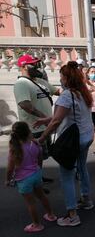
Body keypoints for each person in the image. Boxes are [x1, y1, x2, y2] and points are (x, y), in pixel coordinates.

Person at [35, 61, 95, 227]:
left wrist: (41, 139)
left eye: (61, 76)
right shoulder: (83, 93)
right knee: (82, 167)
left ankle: (72, 214)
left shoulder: (68, 95)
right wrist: (47, 119)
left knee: (66, 176)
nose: (60, 78)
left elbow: (56, 122)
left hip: (73, 141)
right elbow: (62, 116)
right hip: (86, 136)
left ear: (67, 78)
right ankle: (86, 199)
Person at [14, 54, 60, 186]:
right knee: (33, 157)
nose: (37, 66)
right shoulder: (21, 84)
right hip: (33, 128)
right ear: (23, 66)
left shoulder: (40, 81)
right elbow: (25, 105)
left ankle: (38, 177)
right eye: (33, 64)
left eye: (37, 64)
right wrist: (44, 117)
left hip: (45, 126)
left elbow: (58, 91)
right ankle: (34, 182)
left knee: (41, 156)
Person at [5, 121, 57, 233]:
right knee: (42, 196)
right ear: (28, 131)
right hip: (36, 174)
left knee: (31, 203)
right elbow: (39, 159)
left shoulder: (14, 150)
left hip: (24, 180)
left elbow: (10, 169)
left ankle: (36, 224)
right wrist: (38, 169)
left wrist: (8, 180)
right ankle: (51, 215)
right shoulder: (35, 144)